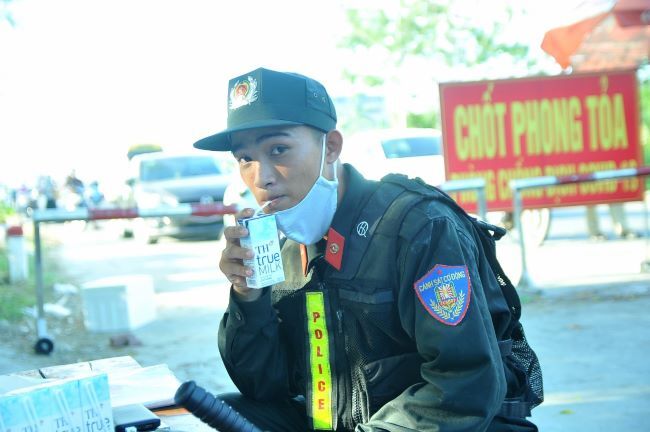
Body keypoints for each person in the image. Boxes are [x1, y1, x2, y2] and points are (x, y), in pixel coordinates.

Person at [194, 67, 542, 432]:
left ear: (331, 147)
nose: (261, 177)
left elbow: (464, 385)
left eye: (278, 150)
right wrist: (248, 297)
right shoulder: (286, 246)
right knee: (227, 415)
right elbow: (264, 387)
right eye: (245, 159)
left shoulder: (417, 227)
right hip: (339, 424)